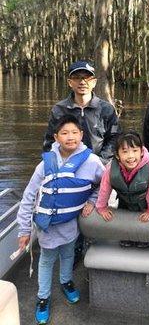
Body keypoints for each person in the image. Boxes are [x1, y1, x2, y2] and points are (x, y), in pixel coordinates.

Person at [17, 115, 105, 324]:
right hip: (47, 226)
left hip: (70, 224)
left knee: (67, 254)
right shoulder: (45, 164)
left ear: (82, 135)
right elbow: (29, 195)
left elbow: (104, 185)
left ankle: (66, 282)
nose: (70, 137)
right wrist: (24, 230)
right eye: (64, 133)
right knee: (46, 260)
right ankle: (43, 297)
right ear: (56, 137)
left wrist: (92, 201)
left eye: (74, 132)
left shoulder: (92, 162)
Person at [43, 60, 121, 165]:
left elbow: (114, 139)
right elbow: (50, 142)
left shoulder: (106, 109)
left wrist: (100, 161)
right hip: (67, 167)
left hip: (99, 166)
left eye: (87, 78)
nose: (83, 82)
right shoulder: (59, 110)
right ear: (70, 82)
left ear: (94, 82)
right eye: (77, 78)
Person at [96, 130, 149, 247]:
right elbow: (104, 189)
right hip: (124, 201)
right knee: (125, 221)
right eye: (125, 152)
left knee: (143, 221)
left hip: (143, 203)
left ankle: (143, 238)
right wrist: (101, 207)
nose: (130, 156)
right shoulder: (110, 169)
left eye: (135, 151)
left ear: (141, 152)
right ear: (117, 155)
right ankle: (126, 237)